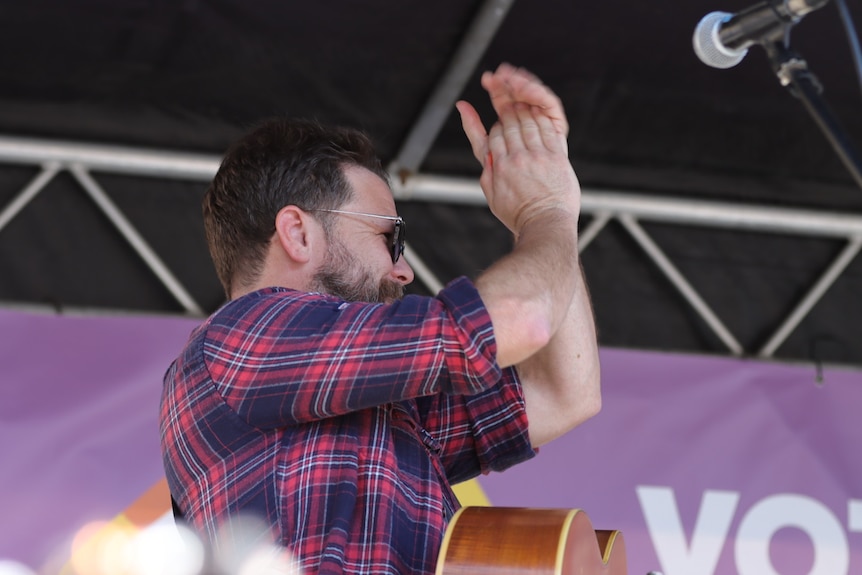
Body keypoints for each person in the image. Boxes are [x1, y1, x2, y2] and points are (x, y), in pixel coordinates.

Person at [160, 63, 601, 575]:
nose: (405, 269)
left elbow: (565, 394)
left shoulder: (372, 400)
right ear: (298, 234)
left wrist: (560, 207)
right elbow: (519, 320)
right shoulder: (238, 339)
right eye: (389, 239)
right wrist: (542, 212)